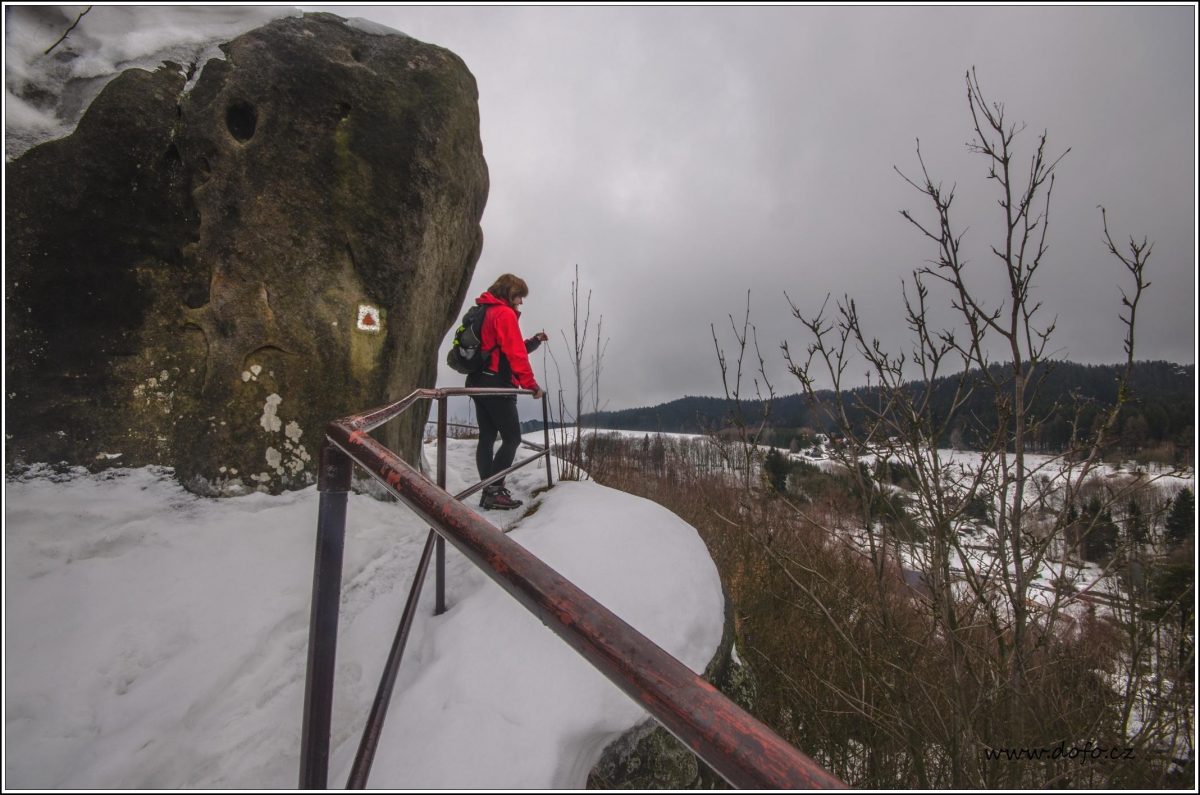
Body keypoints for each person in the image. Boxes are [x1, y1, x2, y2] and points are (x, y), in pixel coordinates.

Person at [466, 274, 548, 510]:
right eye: (519, 295)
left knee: (487, 437)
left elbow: (504, 348)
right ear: (509, 292)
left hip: (478, 383)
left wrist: (534, 341)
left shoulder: (486, 310)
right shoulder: (503, 313)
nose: (521, 301)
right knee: (512, 438)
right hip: (498, 385)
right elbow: (515, 354)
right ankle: (492, 491)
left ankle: (489, 490)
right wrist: (531, 385)